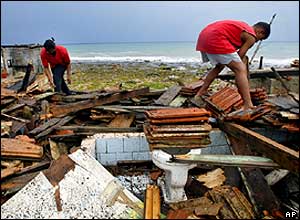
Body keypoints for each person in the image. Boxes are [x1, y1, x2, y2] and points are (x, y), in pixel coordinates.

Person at [195, 20, 271, 110]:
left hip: (204, 36)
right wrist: (243, 68)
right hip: (216, 38)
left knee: (220, 65)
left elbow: (232, 54)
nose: (257, 41)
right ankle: (248, 104)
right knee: (240, 69)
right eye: (261, 39)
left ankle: (201, 92)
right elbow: (240, 56)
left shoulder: (243, 27)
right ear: (260, 32)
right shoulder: (251, 37)